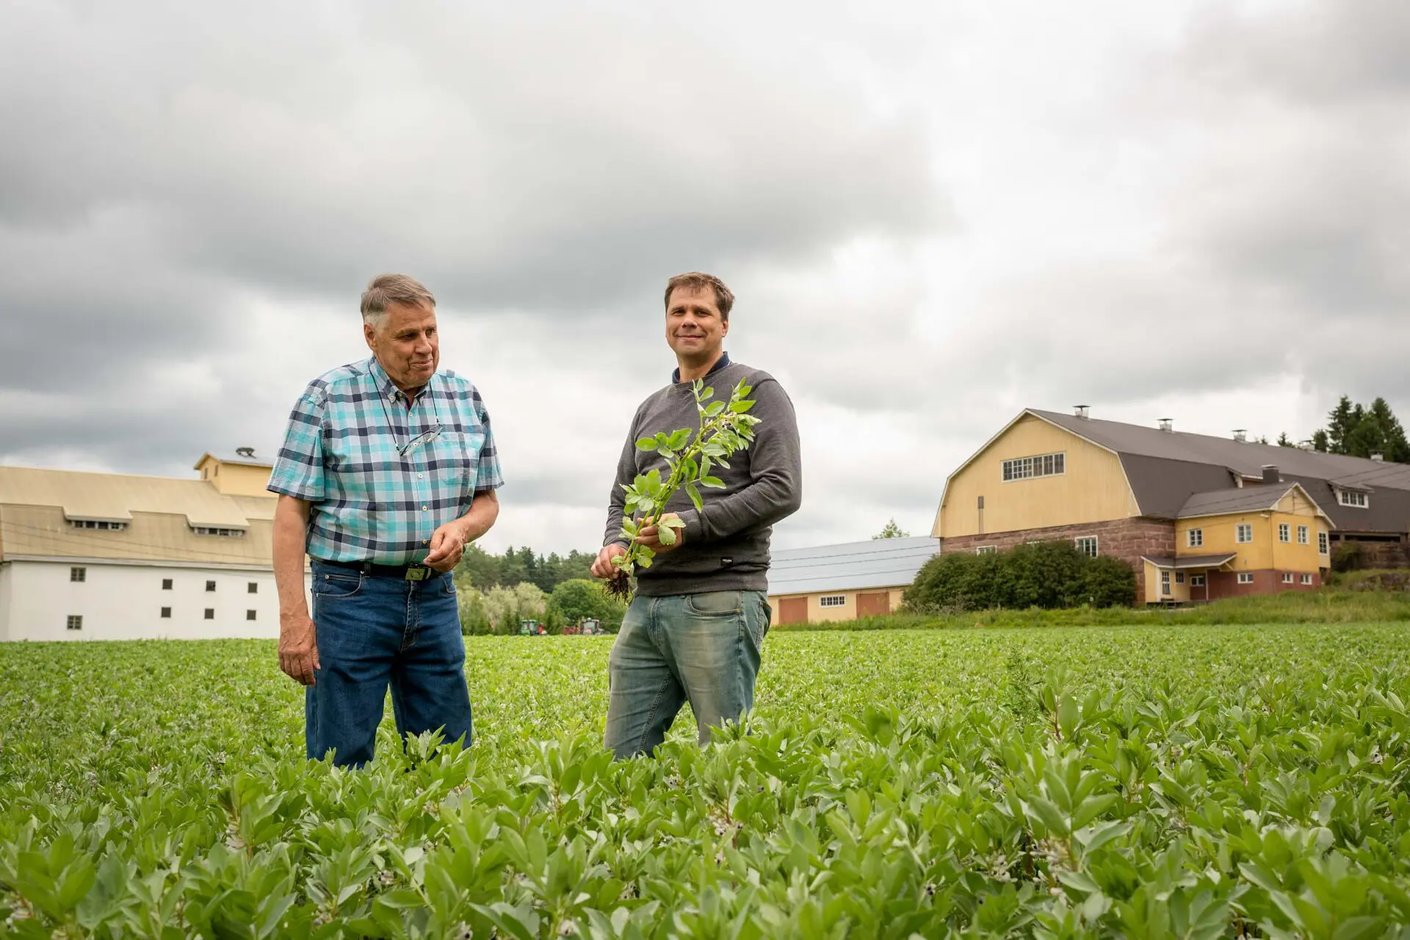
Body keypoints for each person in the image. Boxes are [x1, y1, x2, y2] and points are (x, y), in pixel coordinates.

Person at [269, 273, 503, 767]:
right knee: (342, 759)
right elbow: (291, 513)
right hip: (351, 596)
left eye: (431, 331)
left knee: (446, 759)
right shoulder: (326, 397)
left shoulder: (465, 398)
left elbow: (486, 501)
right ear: (371, 336)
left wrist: (460, 529)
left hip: (435, 597)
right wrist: (293, 617)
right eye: (408, 335)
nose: (425, 347)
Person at [590, 271, 801, 759]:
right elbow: (622, 495)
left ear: (724, 324)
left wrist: (689, 527)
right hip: (648, 603)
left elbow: (782, 488)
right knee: (620, 761)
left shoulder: (756, 390)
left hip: (719, 599)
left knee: (723, 760)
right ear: (666, 323)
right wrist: (616, 543)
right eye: (678, 312)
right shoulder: (650, 408)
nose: (688, 320)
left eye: (701, 312)